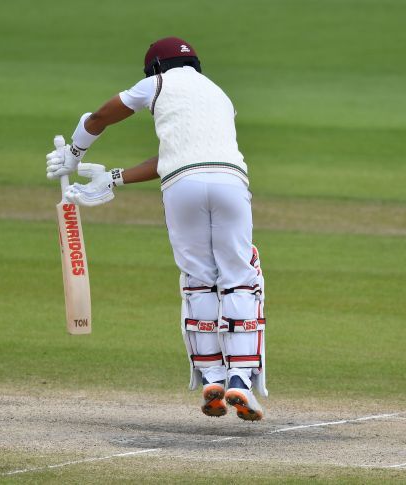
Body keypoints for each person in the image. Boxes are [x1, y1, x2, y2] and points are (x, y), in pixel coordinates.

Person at [45, 37, 268, 421]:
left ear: (154, 68)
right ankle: (240, 380)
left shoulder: (157, 83)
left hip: (182, 187)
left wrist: (75, 153)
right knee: (238, 277)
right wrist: (113, 178)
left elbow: (98, 118)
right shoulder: (218, 94)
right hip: (230, 181)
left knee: (198, 278)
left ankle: (212, 376)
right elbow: (177, 154)